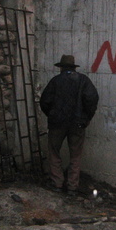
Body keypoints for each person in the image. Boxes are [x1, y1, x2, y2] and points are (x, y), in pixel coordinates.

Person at [40, 55, 99, 195]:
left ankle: (57, 183)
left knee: (54, 152)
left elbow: (45, 101)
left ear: (61, 67)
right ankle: (72, 187)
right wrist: (87, 118)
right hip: (77, 124)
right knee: (75, 156)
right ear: (73, 67)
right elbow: (92, 99)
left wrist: (52, 115)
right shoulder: (83, 80)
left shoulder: (55, 81)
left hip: (57, 124)